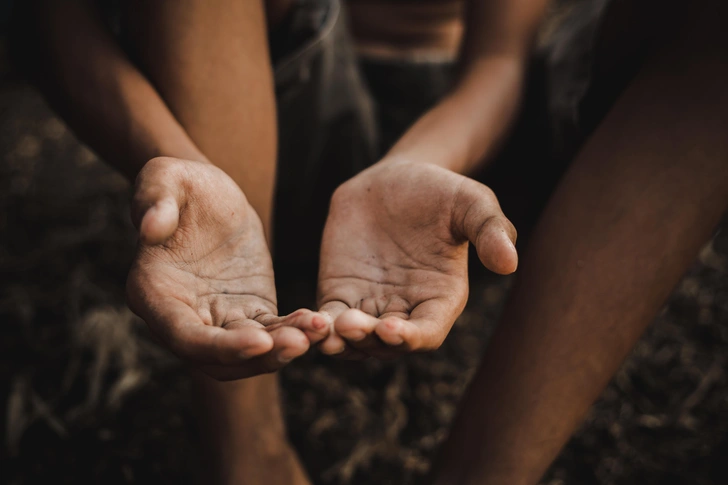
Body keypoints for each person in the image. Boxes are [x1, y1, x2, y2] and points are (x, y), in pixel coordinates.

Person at [8, 1, 728, 485]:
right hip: (265, 119)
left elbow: (498, 63)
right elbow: (46, 20)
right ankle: (248, 447)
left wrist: (414, 165)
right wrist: (181, 161)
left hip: (472, 149)